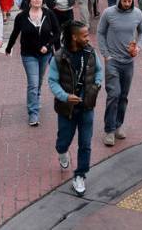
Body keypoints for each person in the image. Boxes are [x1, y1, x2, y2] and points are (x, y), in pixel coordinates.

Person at [49, 20, 103, 197]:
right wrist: (65, 97)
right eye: (85, 35)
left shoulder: (90, 52)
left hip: (87, 106)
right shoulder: (59, 57)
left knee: (85, 144)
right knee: (64, 140)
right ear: (74, 37)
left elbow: (99, 71)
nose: (88, 38)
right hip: (67, 109)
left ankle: (80, 175)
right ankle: (62, 152)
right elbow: (52, 81)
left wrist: (96, 85)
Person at [96, 0, 142, 147]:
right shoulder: (108, 13)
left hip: (128, 62)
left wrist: (138, 47)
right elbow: (100, 33)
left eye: (129, 1)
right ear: (118, 0)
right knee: (114, 94)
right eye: (124, 1)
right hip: (112, 61)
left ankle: (118, 125)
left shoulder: (137, 14)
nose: (126, 4)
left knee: (123, 96)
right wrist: (105, 54)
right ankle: (109, 130)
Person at [6, 0, 60, 126]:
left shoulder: (49, 14)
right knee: (33, 83)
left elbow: (57, 32)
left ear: (42, 0)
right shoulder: (22, 16)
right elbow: (15, 33)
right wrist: (9, 47)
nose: (37, 0)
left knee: (39, 80)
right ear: (30, 1)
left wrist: (48, 46)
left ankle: (36, 97)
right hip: (29, 54)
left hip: (45, 54)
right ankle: (33, 113)